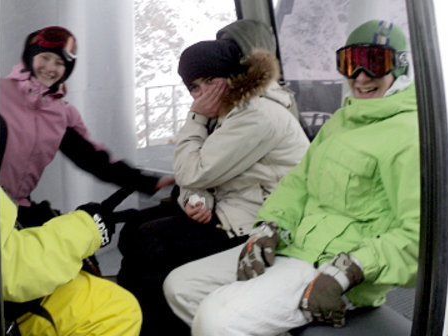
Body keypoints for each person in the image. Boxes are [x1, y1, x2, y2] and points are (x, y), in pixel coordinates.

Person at [163, 19, 419, 335]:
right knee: (181, 287)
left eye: (375, 64)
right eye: (350, 63)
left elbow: (416, 234)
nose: (360, 77)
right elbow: (298, 184)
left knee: (217, 319)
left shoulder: (409, 135)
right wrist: (270, 227)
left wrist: (348, 270)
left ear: (401, 68)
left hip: (338, 265)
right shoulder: (343, 121)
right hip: (294, 244)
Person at [116, 37, 310, 335]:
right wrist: (197, 201)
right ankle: (129, 323)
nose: (203, 93)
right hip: (231, 210)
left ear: (232, 77)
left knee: (149, 245)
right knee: (133, 232)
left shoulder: (255, 115)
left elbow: (194, 172)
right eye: (195, 87)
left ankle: (149, 325)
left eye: (209, 80)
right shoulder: (227, 113)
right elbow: (198, 177)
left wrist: (194, 116)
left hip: (262, 224)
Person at [0, 26, 173, 227]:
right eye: (44, 57)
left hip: (18, 207)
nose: (50, 68)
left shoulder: (61, 115)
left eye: (59, 63)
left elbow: (92, 159)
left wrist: (146, 182)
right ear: (30, 58)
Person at [0, 187, 141, 335]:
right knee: (116, 312)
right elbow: (16, 269)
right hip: (10, 304)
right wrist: (90, 226)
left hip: (12, 289)